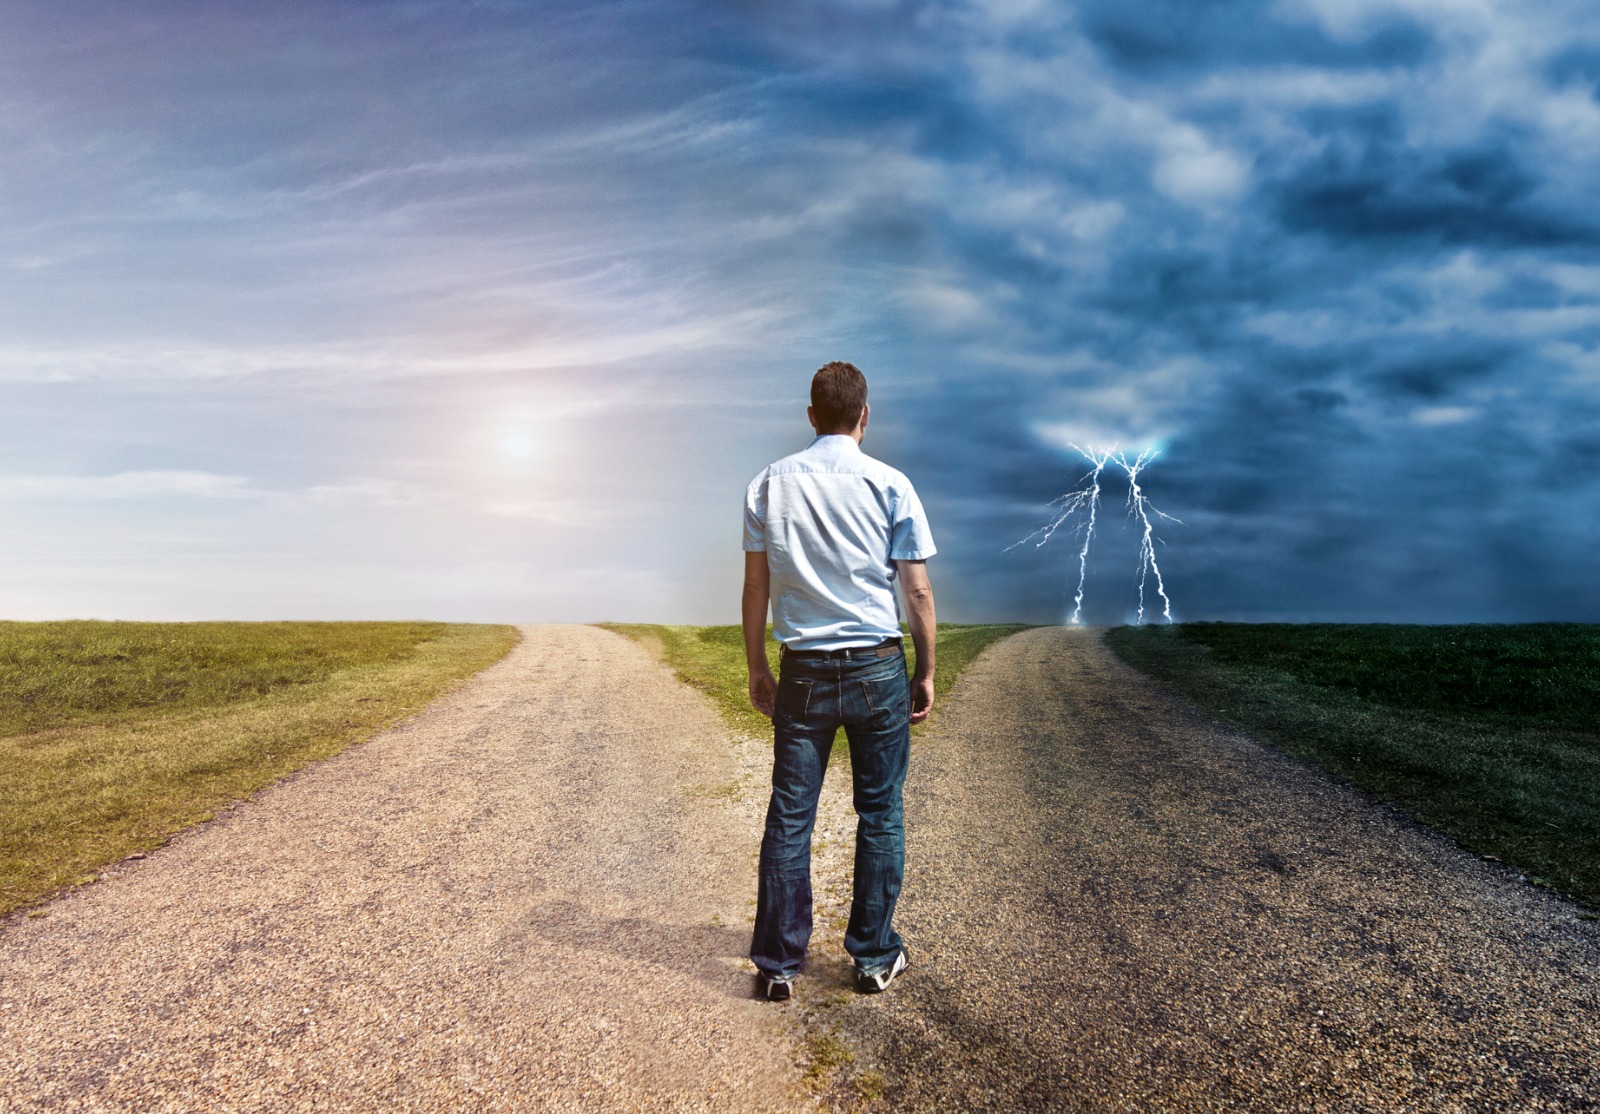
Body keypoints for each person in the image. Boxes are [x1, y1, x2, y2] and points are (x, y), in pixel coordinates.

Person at [741, 360, 937, 1002]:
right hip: (879, 665)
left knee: (791, 815)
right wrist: (926, 670)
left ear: (810, 416)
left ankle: (777, 965)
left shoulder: (768, 484)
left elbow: (755, 586)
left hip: (804, 672)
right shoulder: (891, 484)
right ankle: (874, 956)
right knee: (879, 813)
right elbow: (917, 588)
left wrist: (757, 667)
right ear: (864, 416)